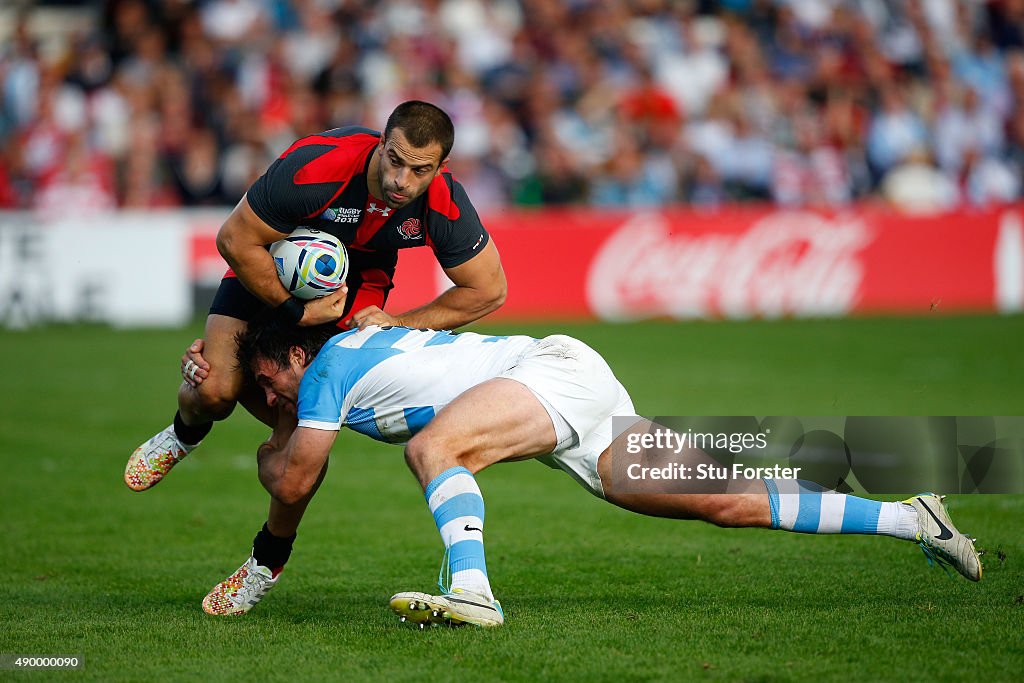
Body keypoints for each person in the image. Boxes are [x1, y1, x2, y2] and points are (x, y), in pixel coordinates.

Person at [199, 323, 983, 625]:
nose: (271, 396)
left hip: (551, 373)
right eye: (264, 393)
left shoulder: (329, 364)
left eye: (272, 380)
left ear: (298, 354)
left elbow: (294, 477)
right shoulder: (325, 374)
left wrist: (226, 415)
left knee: (435, 449)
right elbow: (290, 464)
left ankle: (473, 591)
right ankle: (916, 516)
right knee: (730, 502)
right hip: (569, 386)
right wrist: (272, 422)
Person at [125, 101, 507, 492]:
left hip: (358, 282)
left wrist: (399, 322)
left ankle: (269, 553)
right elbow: (234, 239)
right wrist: (295, 311)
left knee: (305, 429)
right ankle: (183, 434)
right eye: (394, 160)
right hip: (277, 262)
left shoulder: (443, 201)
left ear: (441, 167)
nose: (401, 181)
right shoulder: (319, 165)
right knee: (214, 390)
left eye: (419, 170)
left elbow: (488, 291)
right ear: (381, 144)